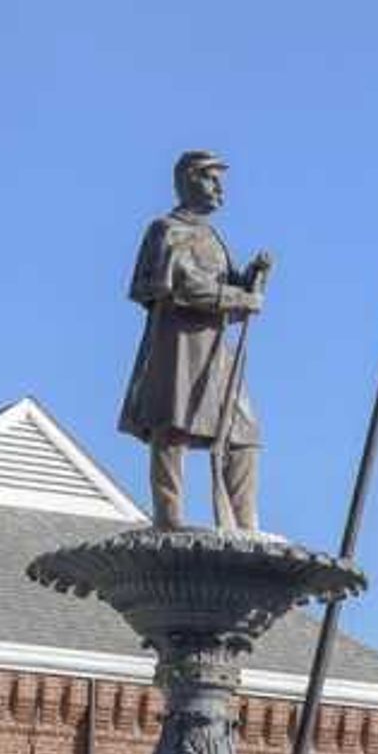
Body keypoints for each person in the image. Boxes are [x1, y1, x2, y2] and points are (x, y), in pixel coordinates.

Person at [118, 149, 273, 529]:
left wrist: (250, 277)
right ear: (188, 180)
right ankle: (169, 519)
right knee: (172, 426)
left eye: (221, 181)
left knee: (244, 432)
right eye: (211, 179)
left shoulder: (211, 235)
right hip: (180, 346)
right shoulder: (166, 229)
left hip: (216, 348)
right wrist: (239, 297)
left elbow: (222, 284)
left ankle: (244, 524)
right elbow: (182, 285)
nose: (220, 188)